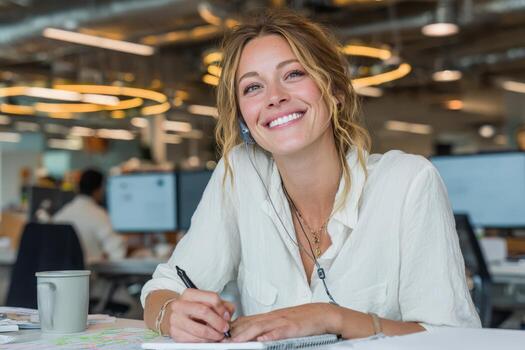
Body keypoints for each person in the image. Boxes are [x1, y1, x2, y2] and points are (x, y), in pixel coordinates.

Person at [141, 10, 481, 342]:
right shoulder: (241, 172)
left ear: (335, 90)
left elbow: (455, 339)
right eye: (252, 88)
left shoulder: (408, 182)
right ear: (245, 119)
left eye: (293, 74)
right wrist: (170, 313)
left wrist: (330, 317)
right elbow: (164, 287)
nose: (275, 97)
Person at [53, 168, 126, 263]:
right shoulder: (98, 214)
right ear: (99, 189)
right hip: (90, 274)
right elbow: (118, 253)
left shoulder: (61, 214)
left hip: (61, 274)